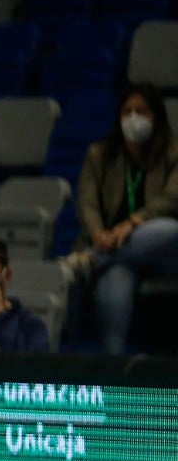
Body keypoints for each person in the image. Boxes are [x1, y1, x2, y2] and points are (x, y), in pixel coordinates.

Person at [66, 82, 178, 355]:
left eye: (141, 111)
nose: (133, 119)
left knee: (170, 228)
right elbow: (87, 201)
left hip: (163, 250)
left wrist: (131, 223)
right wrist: (97, 234)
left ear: (156, 117)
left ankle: (90, 261)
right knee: (115, 276)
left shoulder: (174, 153)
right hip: (114, 250)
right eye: (127, 112)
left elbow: (172, 199)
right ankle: (113, 368)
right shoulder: (99, 155)